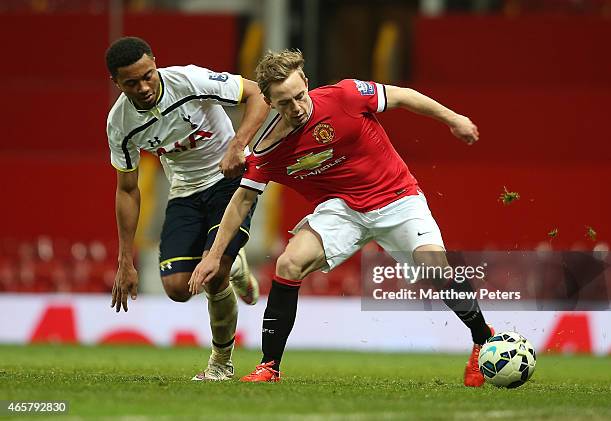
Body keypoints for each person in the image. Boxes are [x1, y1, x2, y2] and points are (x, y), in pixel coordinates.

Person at [188, 49, 493, 386]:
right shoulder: (267, 150)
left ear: (305, 81)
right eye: (285, 103)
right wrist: (215, 255)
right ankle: (269, 366)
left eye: (299, 96)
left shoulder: (346, 95)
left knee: (434, 267)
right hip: (342, 209)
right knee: (288, 264)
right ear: (270, 102)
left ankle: (482, 338)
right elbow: (241, 201)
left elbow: (404, 96)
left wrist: (454, 119)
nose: (297, 108)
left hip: (397, 197)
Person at [105, 37, 269, 381]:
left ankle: (220, 363)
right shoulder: (119, 123)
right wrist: (125, 260)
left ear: (155, 63)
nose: (144, 86)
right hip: (184, 193)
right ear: (116, 83)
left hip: (229, 179)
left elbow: (256, 93)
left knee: (213, 274)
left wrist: (238, 146)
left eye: (148, 75)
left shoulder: (189, 81)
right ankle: (234, 265)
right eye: (131, 83)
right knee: (179, 289)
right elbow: (128, 189)